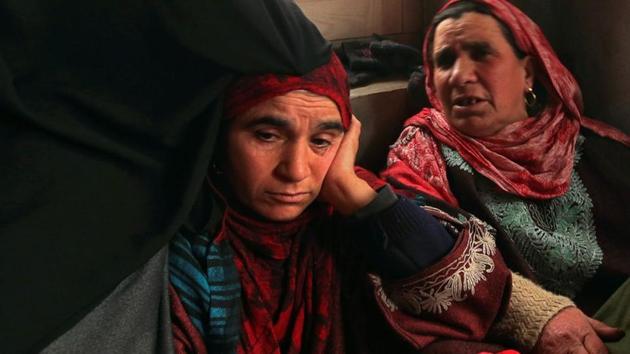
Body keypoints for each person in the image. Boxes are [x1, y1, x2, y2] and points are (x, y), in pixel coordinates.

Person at [1, 1, 331, 352]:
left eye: (322, 140)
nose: (295, 170)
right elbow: (294, 44)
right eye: (266, 135)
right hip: (87, 253)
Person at [380, 0, 629, 352]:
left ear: (528, 72)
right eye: (445, 61)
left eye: (482, 53)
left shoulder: (590, 145)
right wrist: (533, 316)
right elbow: (419, 264)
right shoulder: (421, 155)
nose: (460, 75)